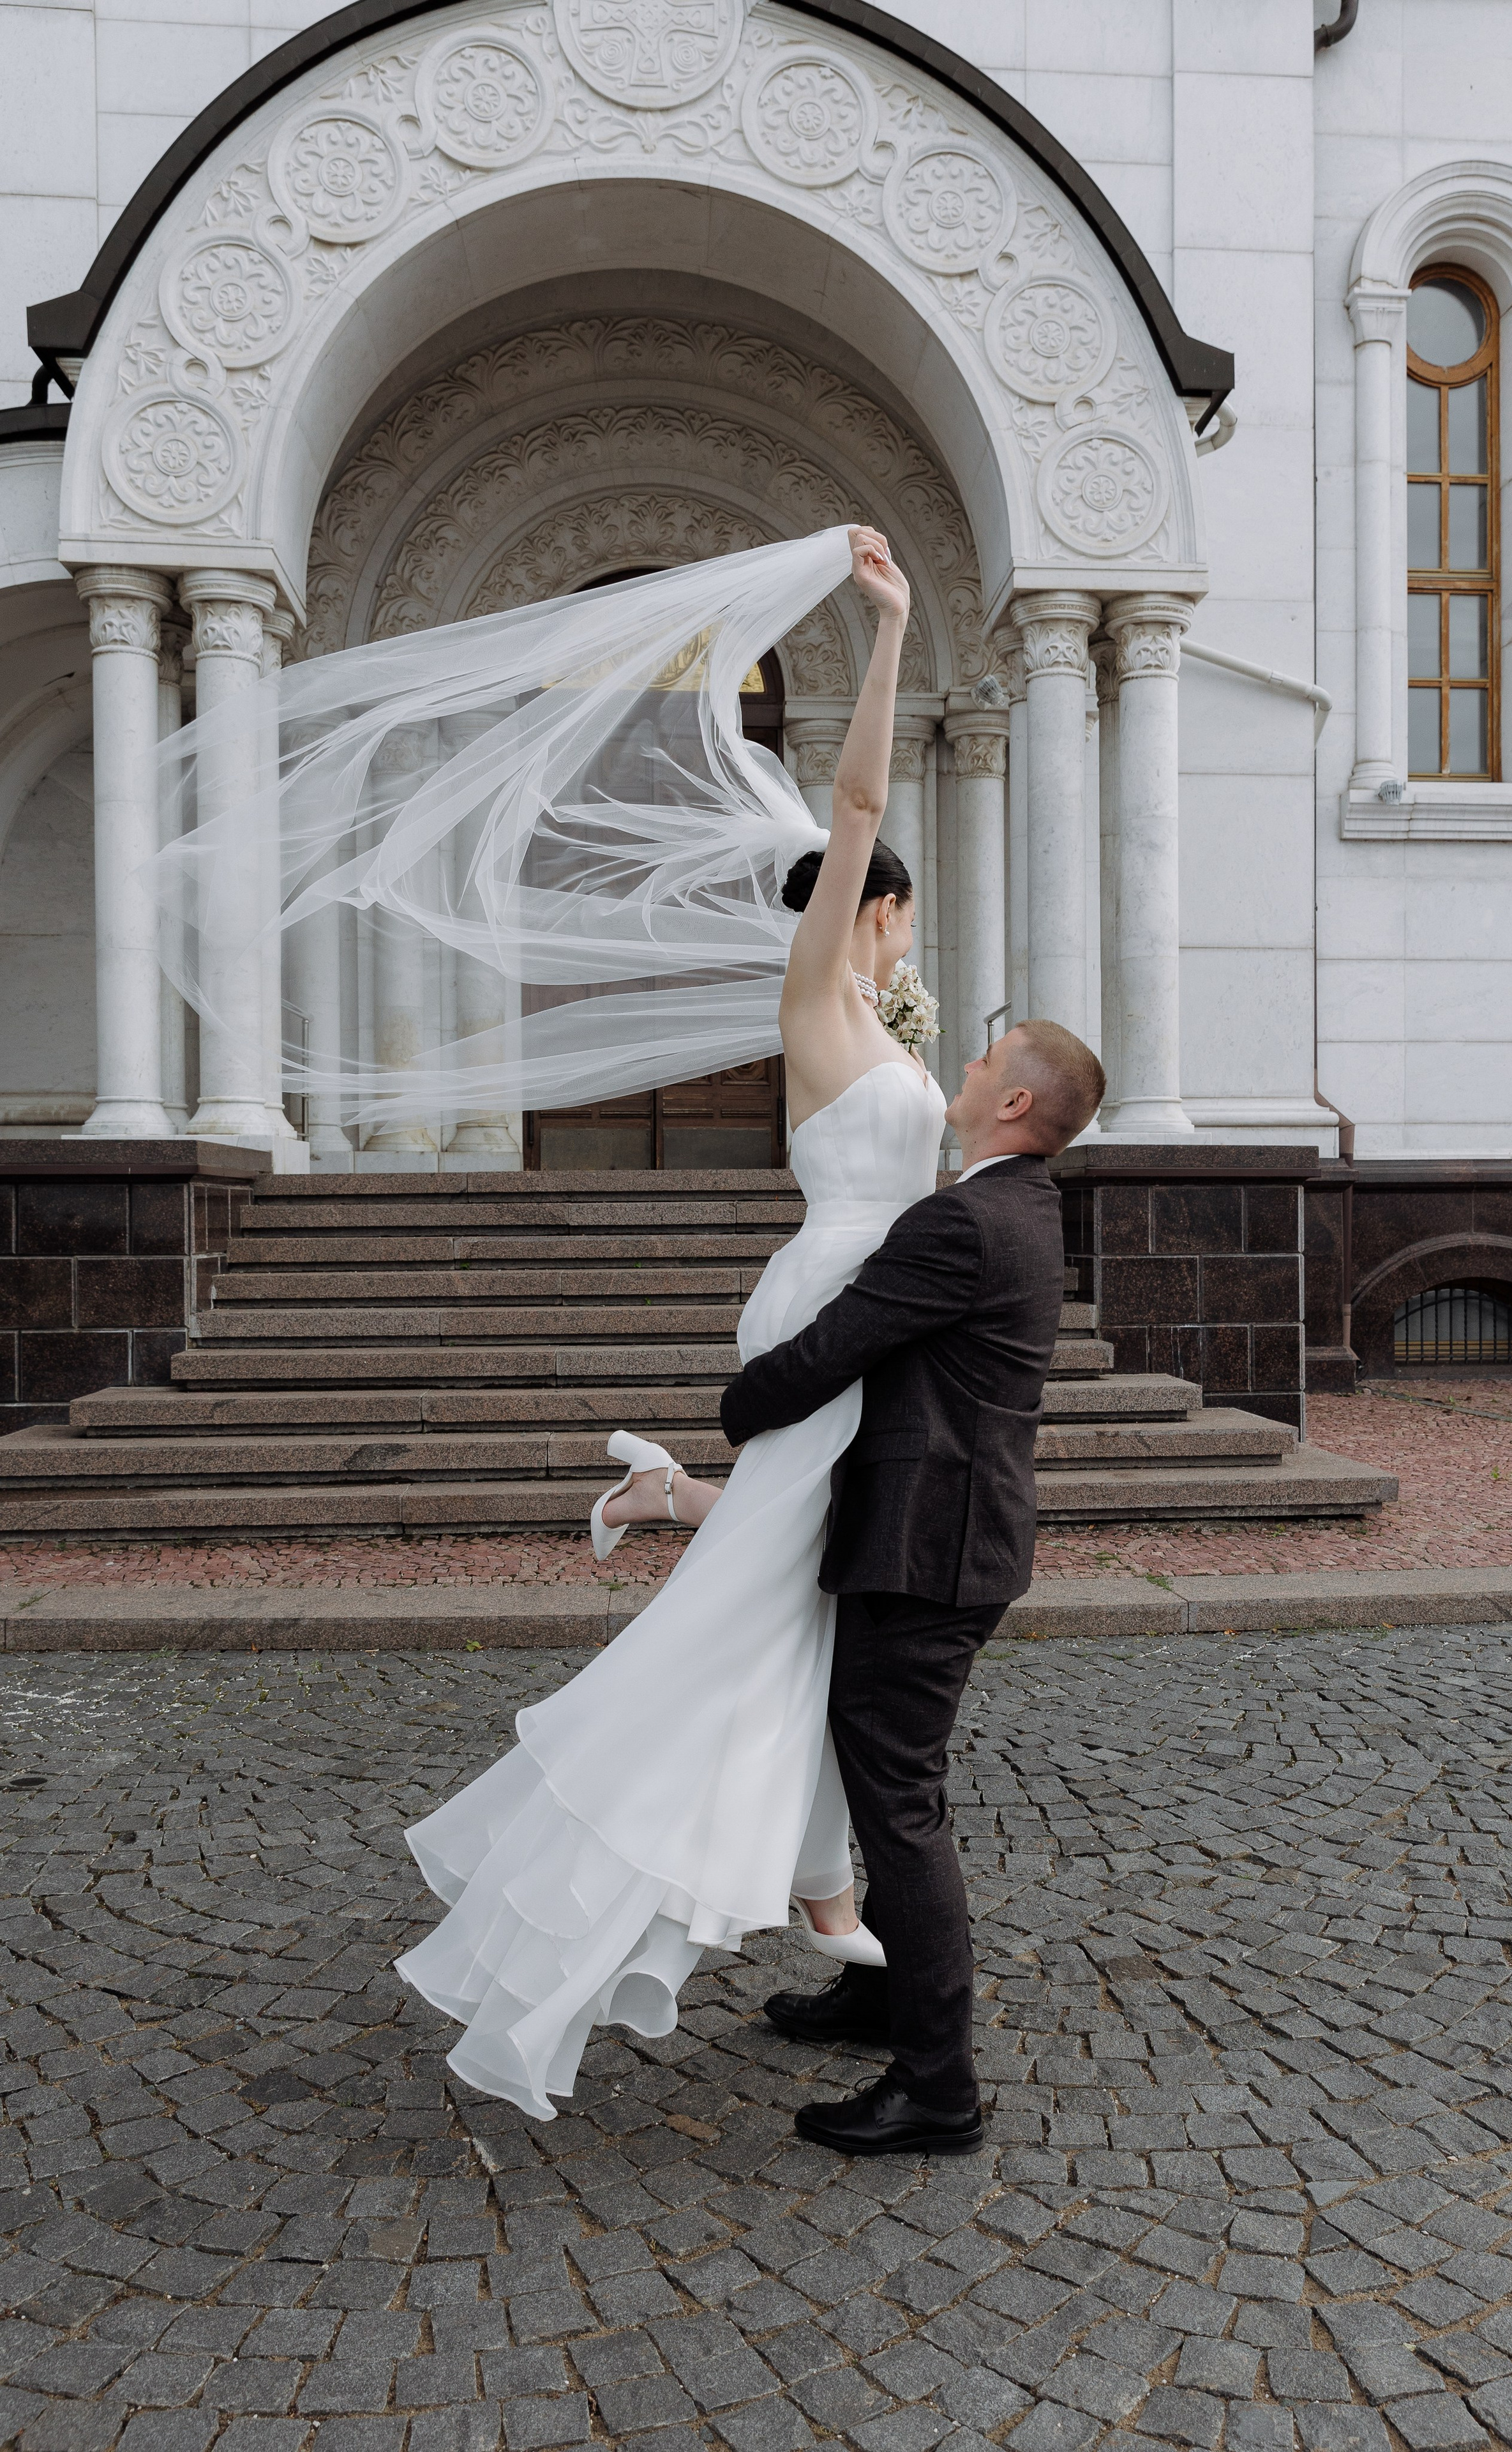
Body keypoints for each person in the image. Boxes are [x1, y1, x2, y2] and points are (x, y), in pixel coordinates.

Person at [395, 526, 957, 2116]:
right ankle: (804, 1885)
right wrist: (888, 628)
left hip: (882, 1294)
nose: (904, 928)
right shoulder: (818, 995)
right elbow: (856, 802)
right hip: (834, 1293)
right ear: (870, 908)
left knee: (812, 1570)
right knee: (782, 1586)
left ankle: (822, 1869)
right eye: (896, 909)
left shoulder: (888, 1021)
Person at [718, 1018, 1105, 2157]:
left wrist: (739, 1406)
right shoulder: (1018, 1208)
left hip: (928, 1547)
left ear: (1017, 1103)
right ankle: (882, 1994)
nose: (965, 1068)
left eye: (986, 1060)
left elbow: (841, 1341)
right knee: (881, 1776)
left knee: (900, 1802)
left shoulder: (964, 1221)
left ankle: (939, 2086)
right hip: (946, 1534)